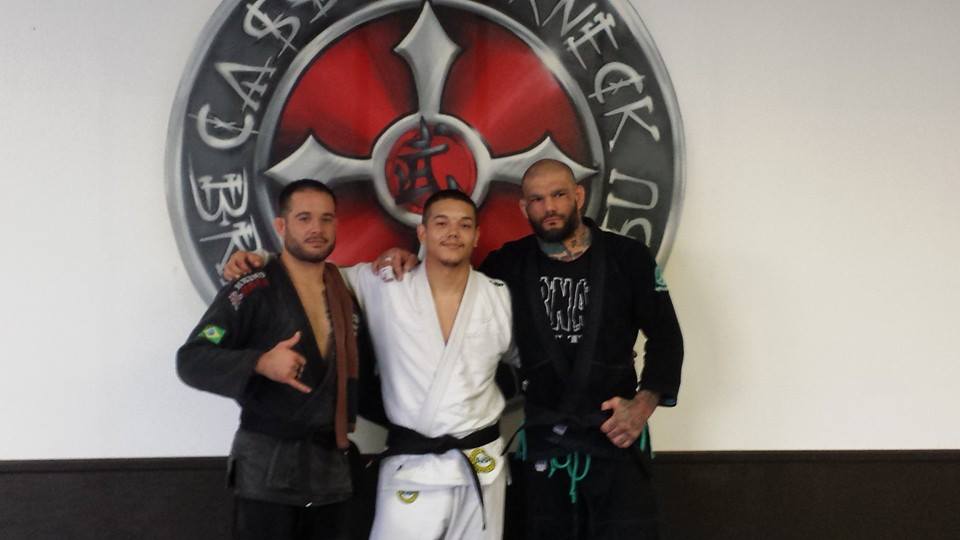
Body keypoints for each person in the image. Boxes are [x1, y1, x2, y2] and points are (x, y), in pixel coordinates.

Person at [377, 159, 684, 540]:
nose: (549, 207)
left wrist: (642, 406)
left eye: (558, 195)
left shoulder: (628, 257)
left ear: (578, 196)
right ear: (524, 208)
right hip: (544, 442)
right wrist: (409, 259)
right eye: (537, 199)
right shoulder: (506, 264)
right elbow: (454, 291)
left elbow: (666, 337)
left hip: (616, 437)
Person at [224, 189, 517, 540]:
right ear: (422, 233)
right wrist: (258, 259)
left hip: (481, 464)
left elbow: (528, 359)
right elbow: (312, 273)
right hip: (411, 466)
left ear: (477, 235)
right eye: (441, 223)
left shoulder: (498, 295)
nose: (453, 233)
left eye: (464, 225)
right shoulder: (385, 282)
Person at [177, 180, 361, 540]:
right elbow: (192, 360)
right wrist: (259, 363)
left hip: (330, 471)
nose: (316, 228)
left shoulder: (346, 292)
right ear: (281, 225)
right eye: (304, 218)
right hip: (267, 468)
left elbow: (364, 380)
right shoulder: (251, 287)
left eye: (326, 219)